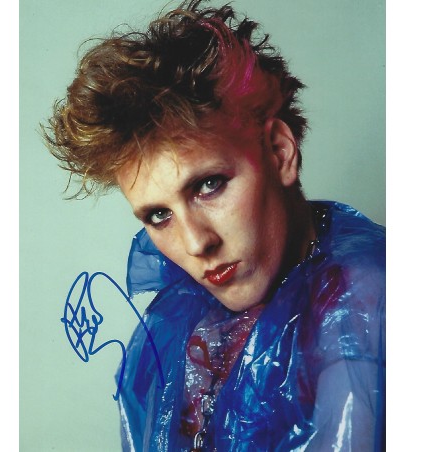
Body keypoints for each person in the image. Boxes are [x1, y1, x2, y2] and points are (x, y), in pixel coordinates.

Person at [43, 0, 385, 450]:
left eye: (208, 185)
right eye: (159, 215)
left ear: (279, 152)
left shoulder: (362, 302)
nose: (195, 242)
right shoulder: (182, 314)